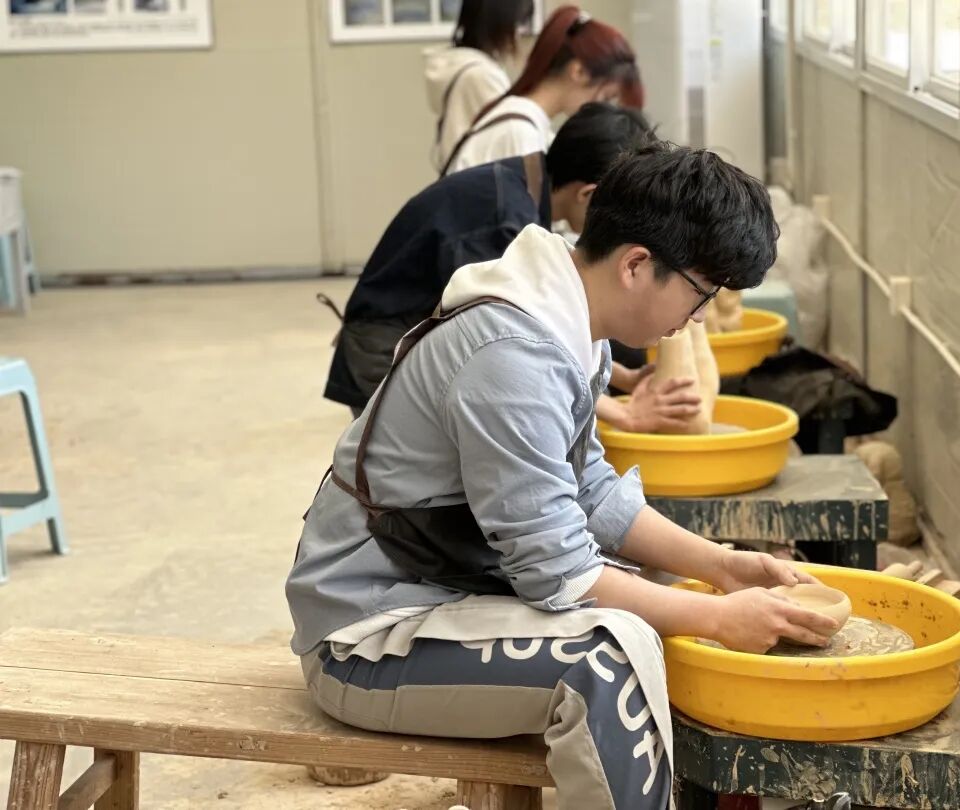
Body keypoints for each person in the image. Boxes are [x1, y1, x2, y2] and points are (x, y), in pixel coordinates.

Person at [288, 142, 836, 808]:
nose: (697, 319)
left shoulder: (567, 318)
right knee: (607, 661)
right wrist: (719, 617)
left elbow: (589, 492)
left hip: (447, 590)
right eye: (701, 295)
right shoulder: (513, 355)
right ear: (636, 265)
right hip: (369, 638)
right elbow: (559, 574)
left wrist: (721, 566)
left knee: (665, 593)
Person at [322, 102, 699, 433]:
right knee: (411, 475)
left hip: (414, 335)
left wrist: (624, 377)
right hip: (384, 347)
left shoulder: (522, 182)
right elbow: (508, 346)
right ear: (589, 195)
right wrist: (623, 413)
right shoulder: (506, 220)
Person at [440, 4, 642, 177]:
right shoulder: (520, 132)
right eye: (606, 96)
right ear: (578, 71)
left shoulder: (526, 123)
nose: (601, 108)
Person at [424, 0, 535, 172]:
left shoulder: (461, 66)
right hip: (480, 182)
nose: (520, 35)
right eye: (519, 24)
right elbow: (515, 136)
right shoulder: (481, 76)